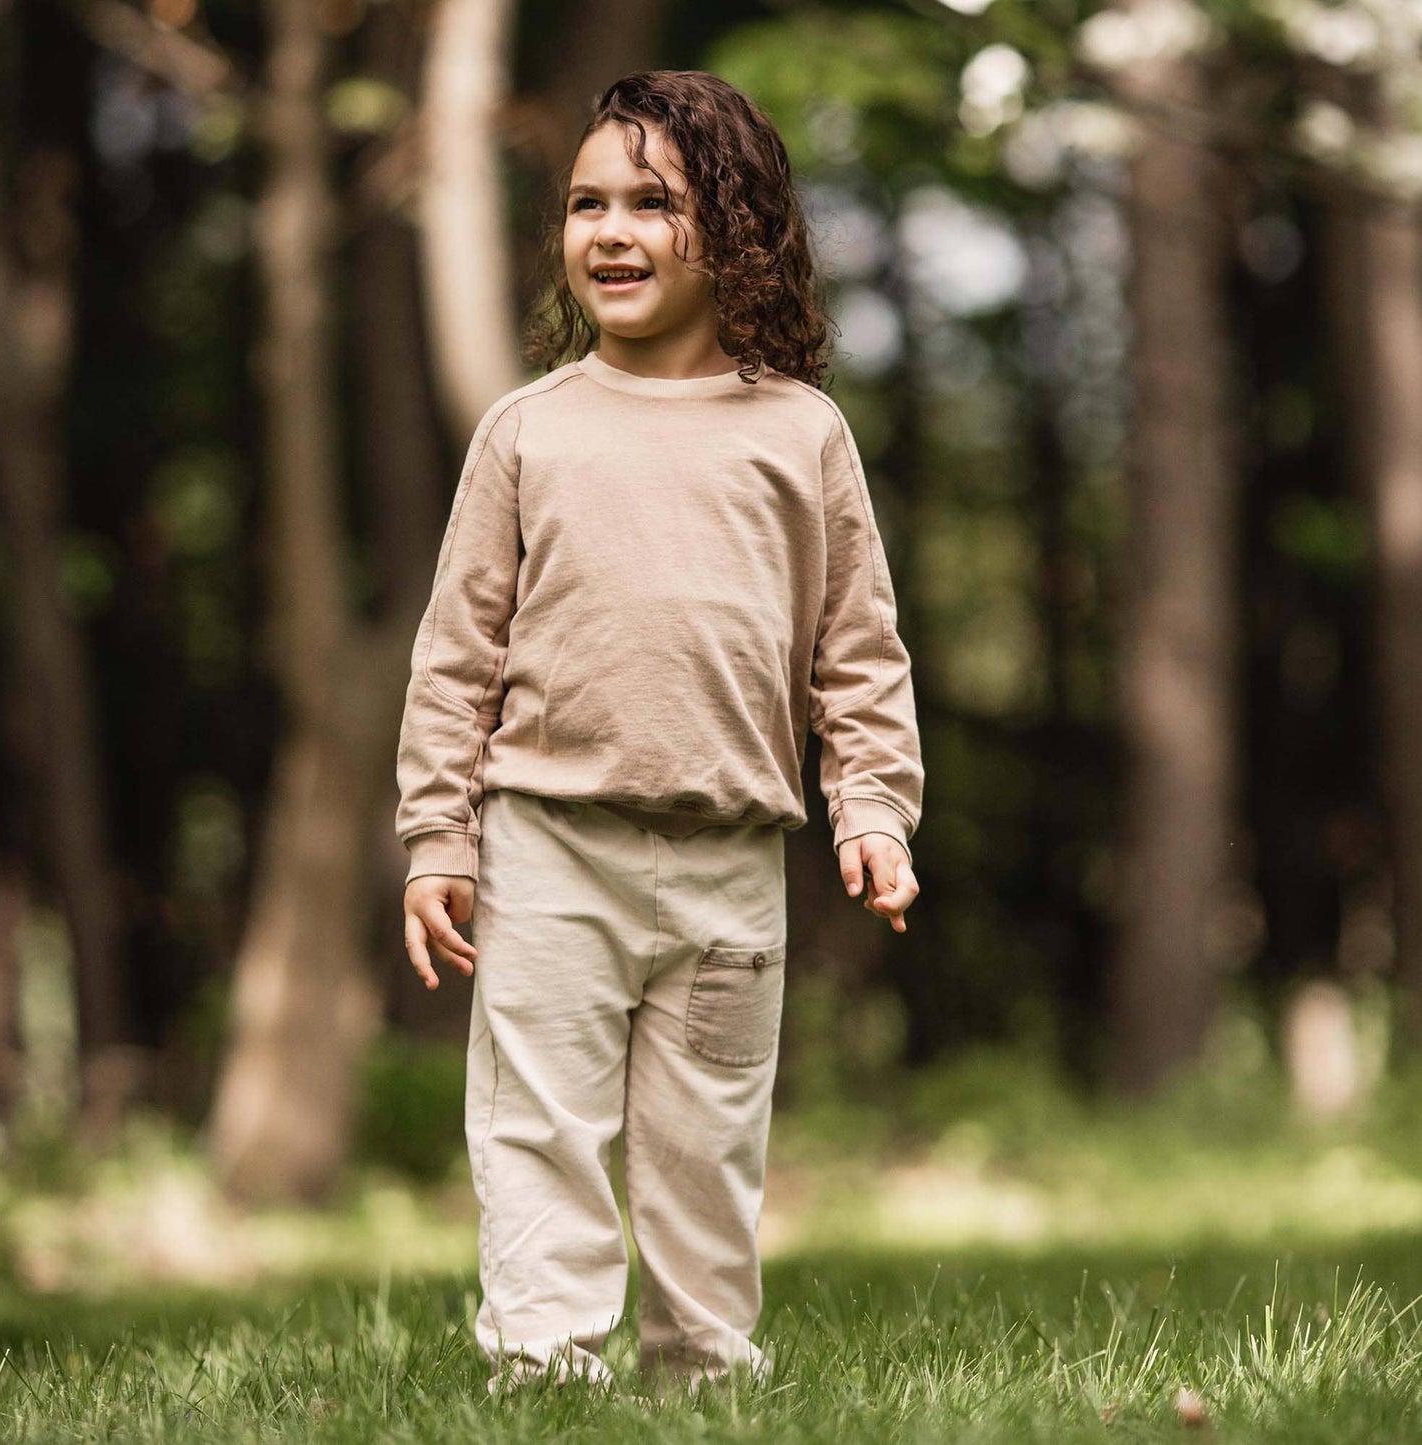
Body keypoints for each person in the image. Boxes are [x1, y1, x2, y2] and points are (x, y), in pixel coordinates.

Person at [396, 69, 923, 1395]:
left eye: (653, 201)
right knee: (540, 1126)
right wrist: (434, 834)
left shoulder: (798, 433)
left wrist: (871, 803)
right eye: (586, 203)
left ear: (733, 230)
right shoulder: (527, 433)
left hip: (728, 861)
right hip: (547, 847)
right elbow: (455, 660)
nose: (611, 231)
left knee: (704, 1143)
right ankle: (544, 1360)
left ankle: (701, 1366)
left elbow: (853, 652)